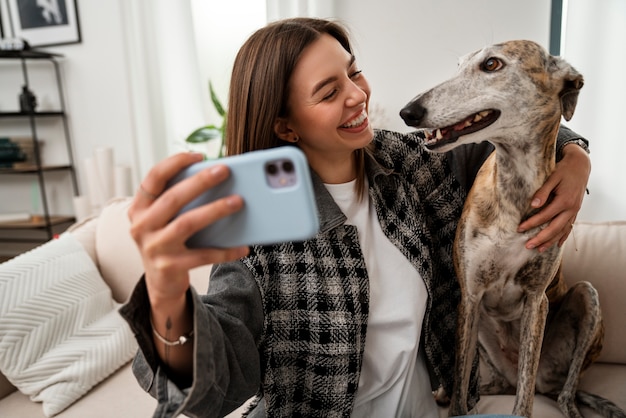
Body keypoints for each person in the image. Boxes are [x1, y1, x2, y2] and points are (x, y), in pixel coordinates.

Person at [120, 17, 591, 417]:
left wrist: (574, 158)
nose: (358, 95)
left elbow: (521, 117)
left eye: (354, 73)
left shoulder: (412, 161)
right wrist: (164, 292)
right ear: (286, 125)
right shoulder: (260, 225)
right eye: (328, 93)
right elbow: (210, 388)